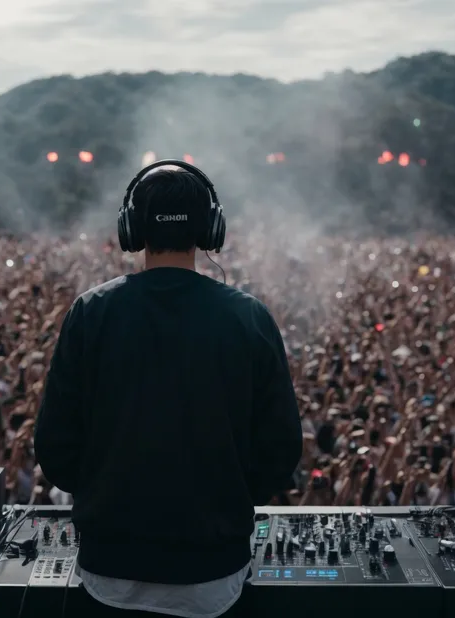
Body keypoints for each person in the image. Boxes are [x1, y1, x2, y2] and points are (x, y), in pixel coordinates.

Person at [34, 164, 304, 617]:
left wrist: (107, 493)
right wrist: (225, 497)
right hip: (214, 577)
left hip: (108, 572)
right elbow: (280, 450)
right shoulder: (248, 317)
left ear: (131, 228)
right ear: (211, 228)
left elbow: (55, 446)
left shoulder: (91, 312)